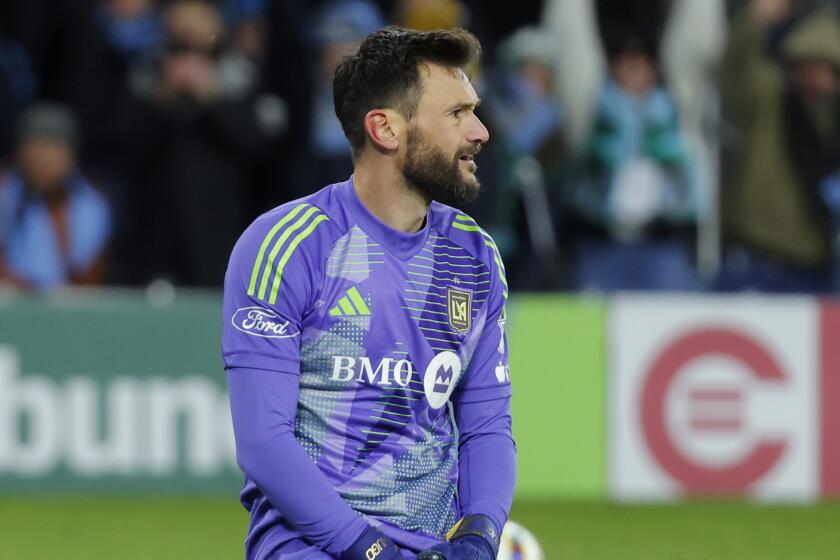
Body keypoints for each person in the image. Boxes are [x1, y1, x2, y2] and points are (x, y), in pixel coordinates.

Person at [222, 26, 514, 560]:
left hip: (433, 547)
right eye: (457, 114)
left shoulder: (474, 255)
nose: (480, 131)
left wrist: (477, 538)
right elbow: (264, 442)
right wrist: (370, 549)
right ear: (385, 128)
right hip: (312, 547)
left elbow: (487, 426)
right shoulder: (287, 245)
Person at [0, 103, 112, 291]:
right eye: (36, 146)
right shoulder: (6, 192)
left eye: (53, 148)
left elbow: (88, 276)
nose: (43, 160)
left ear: (71, 156)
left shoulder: (90, 204)